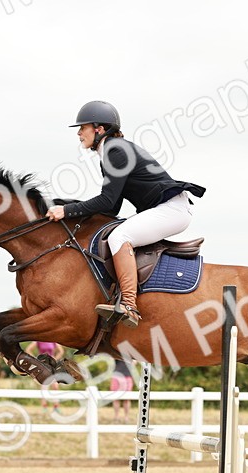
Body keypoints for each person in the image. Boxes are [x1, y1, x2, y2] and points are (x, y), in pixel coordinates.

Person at [46, 100, 205, 329]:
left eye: (83, 127)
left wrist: (66, 210)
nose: (79, 133)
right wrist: (68, 206)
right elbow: (112, 209)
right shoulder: (111, 152)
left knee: (119, 237)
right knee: (116, 232)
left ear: (99, 129)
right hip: (167, 209)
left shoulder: (116, 151)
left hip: (172, 210)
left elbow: (107, 201)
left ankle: (129, 305)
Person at [110, 358, 134, 424]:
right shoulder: (116, 352)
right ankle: (116, 416)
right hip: (117, 376)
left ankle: (126, 417)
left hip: (127, 376)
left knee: (127, 399)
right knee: (116, 398)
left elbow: (134, 362)